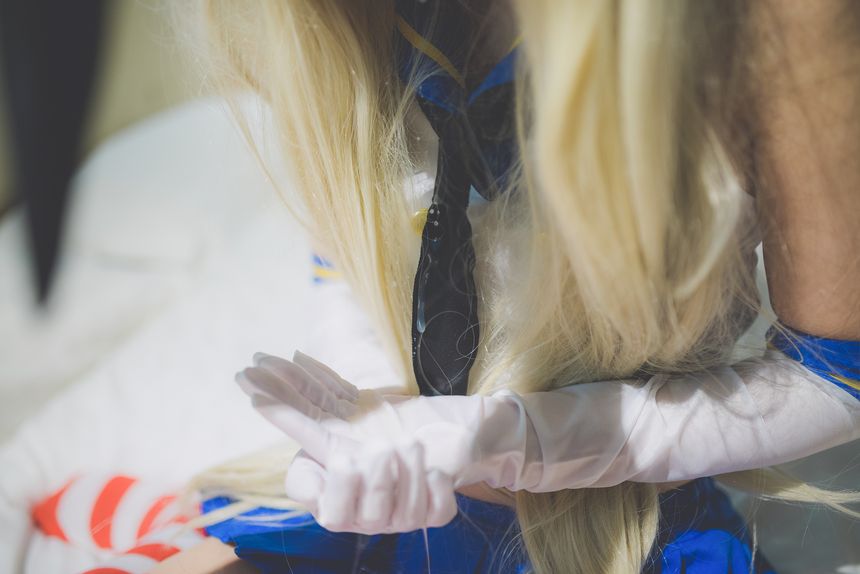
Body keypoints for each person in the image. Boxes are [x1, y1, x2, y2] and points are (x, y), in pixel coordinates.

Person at [32, 0, 859, 572]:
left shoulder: (778, 22)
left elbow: (838, 374)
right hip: (406, 514)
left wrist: (526, 441)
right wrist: (372, 404)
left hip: (621, 536)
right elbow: (353, 234)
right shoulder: (320, 24)